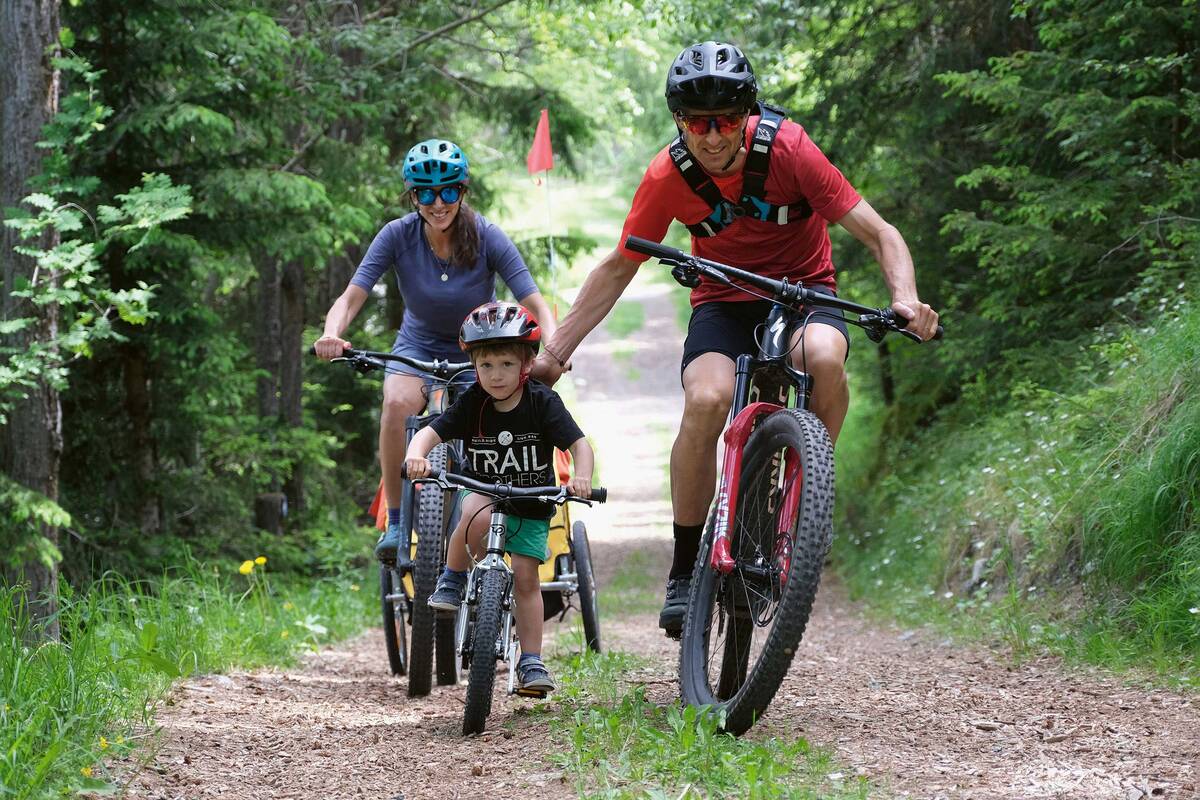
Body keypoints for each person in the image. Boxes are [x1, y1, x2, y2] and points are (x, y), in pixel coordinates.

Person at [532, 41, 940, 638]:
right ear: (680, 121)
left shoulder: (792, 150)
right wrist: (553, 354)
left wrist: (904, 298)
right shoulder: (668, 175)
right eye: (698, 122)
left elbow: (880, 233)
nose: (713, 135)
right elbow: (618, 268)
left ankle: (810, 490)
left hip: (804, 292)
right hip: (722, 300)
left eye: (726, 119)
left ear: (748, 112)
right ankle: (682, 565)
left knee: (825, 356)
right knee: (705, 399)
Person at [314, 138, 557, 563]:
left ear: (462, 191)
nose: (437, 202)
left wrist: (552, 349)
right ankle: (396, 521)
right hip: (417, 346)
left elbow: (533, 301)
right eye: (425, 193)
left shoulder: (486, 237)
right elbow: (352, 296)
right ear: (413, 196)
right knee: (396, 404)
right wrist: (333, 333)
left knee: (487, 421)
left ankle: (485, 521)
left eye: (448, 191)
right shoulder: (397, 235)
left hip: (477, 352)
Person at [404, 302, 594, 693]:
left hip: (531, 500)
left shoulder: (542, 402)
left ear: (526, 363)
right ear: (474, 366)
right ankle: (453, 579)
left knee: (527, 579)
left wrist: (582, 476)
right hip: (485, 491)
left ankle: (531, 662)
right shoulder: (473, 401)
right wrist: (415, 454)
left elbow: (579, 445)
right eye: (486, 365)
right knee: (469, 513)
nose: (495, 375)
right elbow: (432, 432)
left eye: (506, 364)